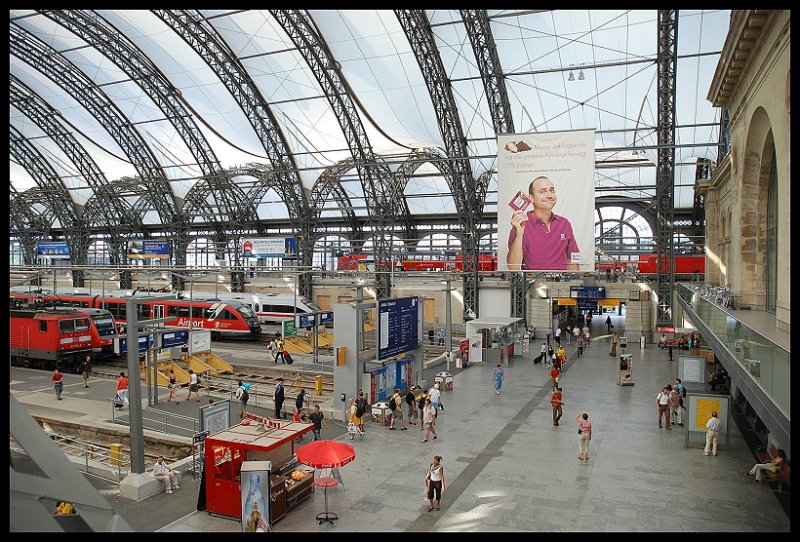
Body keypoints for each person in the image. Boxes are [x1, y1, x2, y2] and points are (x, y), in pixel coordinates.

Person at [507, 176, 580, 271]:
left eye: (552, 190)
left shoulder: (565, 223)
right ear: (531, 198)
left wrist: (575, 280)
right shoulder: (521, 225)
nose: (550, 195)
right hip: (532, 283)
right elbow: (513, 267)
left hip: (561, 283)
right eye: (543, 191)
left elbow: (574, 256)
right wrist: (519, 235)